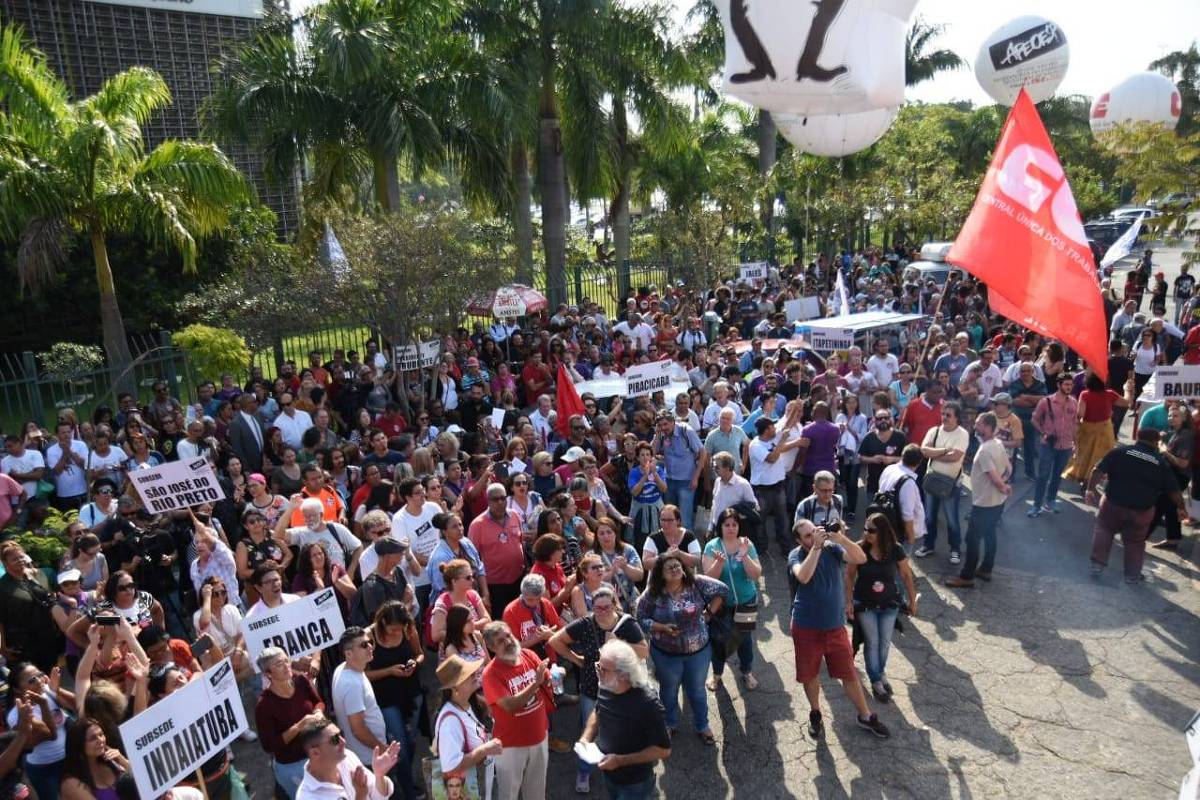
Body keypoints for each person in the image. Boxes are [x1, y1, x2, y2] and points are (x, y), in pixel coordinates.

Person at [788, 518, 889, 739]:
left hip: (835, 627)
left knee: (849, 673)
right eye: (807, 535)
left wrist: (840, 537)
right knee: (810, 675)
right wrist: (815, 547)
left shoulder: (832, 548)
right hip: (806, 627)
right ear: (798, 540)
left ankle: (865, 715)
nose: (814, 536)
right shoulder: (796, 555)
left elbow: (860, 557)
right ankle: (815, 712)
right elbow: (803, 576)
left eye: (815, 531)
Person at [548, 584, 647, 794]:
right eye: (598, 607)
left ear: (614, 605)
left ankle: (618, 763)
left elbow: (644, 652)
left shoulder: (626, 623)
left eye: (606, 607)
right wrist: (576, 659)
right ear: (592, 606)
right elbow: (555, 641)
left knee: (621, 729)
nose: (602, 612)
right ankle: (584, 771)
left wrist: (620, 643)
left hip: (622, 689)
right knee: (589, 730)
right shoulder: (585, 623)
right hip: (592, 688)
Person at [634, 553, 727, 745]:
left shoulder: (697, 583)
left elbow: (722, 590)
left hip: (698, 651)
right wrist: (661, 627)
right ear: (661, 574)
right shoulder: (653, 593)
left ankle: (703, 726)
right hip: (666, 654)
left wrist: (707, 615)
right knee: (668, 690)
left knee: (697, 690)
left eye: (678, 565)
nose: (676, 569)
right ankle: (669, 724)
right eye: (670, 568)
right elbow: (640, 617)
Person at [1086, 428, 1187, 583]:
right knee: (1135, 542)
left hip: (1113, 504)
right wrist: (1181, 508)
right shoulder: (1160, 463)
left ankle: (1096, 566)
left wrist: (1090, 489)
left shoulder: (1119, 452)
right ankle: (1132, 576)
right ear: (1155, 442)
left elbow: (1097, 470)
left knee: (1104, 530)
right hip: (1142, 510)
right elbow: (1173, 490)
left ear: (1137, 437)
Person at [577, 639, 671, 800]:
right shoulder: (607, 685)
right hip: (609, 774)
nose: (598, 672)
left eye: (604, 669)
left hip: (635, 784)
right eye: (598, 666)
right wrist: (586, 738)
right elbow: (597, 711)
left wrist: (620, 761)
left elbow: (663, 750)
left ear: (623, 674)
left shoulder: (648, 704)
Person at [845, 513, 917, 702]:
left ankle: (880, 671)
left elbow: (906, 575)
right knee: (872, 642)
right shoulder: (859, 548)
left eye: (871, 530)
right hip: (865, 604)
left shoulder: (895, 549)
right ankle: (876, 680)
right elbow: (849, 575)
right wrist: (849, 600)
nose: (866, 533)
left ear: (882, 531)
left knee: (884, 642)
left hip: (889, 604)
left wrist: (912, 601)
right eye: (865, 528)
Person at [480, 621, 551, 800]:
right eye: (501, 641)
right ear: (491, 647)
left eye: (508, 635)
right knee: (509, 794)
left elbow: (547, 680)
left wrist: (555, 676)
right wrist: (535, 683)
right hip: (511, 746)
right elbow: (510, 705)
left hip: (539, 737)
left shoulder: (529, 654)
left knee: (536, 793)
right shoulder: (491, 674)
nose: (509, 641)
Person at [364, 602, 425, 800]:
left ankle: (398, 776)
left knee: (410, 741)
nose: (397, 632)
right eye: (393, 629)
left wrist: (415, 663)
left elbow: (420, 654)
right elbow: (363, 673)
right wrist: (389, 671)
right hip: (386, 700)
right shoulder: (368, 636)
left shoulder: (408, 629)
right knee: (401, 747)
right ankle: (408, 790)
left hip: (411, 694)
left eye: (400, 628)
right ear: (382, 622)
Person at [946, 412, 1012, 589]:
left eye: (979, 424)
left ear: (989, 428)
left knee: (971, 539)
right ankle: (986, 569)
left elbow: (993, 477)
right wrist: (1004, 486)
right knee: (990, 534)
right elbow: (1009, 468)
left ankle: (966, 576)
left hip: (984, 503)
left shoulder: (984, 451)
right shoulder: (998, 443)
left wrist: (1002, 486)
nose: (975, 426)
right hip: (998, 501)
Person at [702, 508, 762, 692]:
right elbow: (708, 579)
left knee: (744, 639)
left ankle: (746, 671)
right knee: (718, 640)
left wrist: (745, 556)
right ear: (720, 526)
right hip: (721, 604)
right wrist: (719, 563)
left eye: (734, 524)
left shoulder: (747, 544)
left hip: (746, 601)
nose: (730, 528)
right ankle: (717, 674)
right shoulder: (712, 546)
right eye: (726, 524)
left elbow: (755, 575)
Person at [255, 646, 326, 799]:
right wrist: (299, 726)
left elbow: (318, 702)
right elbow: (269, 746)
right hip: (293, 766)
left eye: (286, 660)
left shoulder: (300, 680)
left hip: (319, 753)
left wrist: (319, 712)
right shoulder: (264, 705)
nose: (286, 666)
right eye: (279, 664)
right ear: (268, 673)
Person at [433, 656, 503, 799]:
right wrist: (485, 749)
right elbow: (451, 767)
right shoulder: (450, 722)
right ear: (455, 687)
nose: (474, 675)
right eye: (468, 675)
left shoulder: (467, 704)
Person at [748, 405, 807, 557]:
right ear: (766, 430)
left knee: (783, 521)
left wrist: (796, 407)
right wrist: (784, 440)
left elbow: (787, 425)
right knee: (759, 522)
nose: (775, 427)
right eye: (772, 426)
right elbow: (772, 458)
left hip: (778, 487)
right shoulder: (756, 445)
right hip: (762, 490)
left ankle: (786, 550)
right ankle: (761, 550)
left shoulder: (772, 439)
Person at [294, 717, 399, 800]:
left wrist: (379, 776)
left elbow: (380, 797)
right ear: (315, 752)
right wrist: (360, 796)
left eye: (341, 735)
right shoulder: (307, 797)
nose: (343, 742)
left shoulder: (347, 757)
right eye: (335, 739)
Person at [915, 402, 969, 563]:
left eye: (949, 415)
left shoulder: (962, 434)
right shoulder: (934, 431)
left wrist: (935, 453)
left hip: (950, 484)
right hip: (932, 481)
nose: (944, 418)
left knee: (951, 519)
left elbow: (956, 456)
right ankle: (928, 545)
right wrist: (946, 450)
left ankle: (955, 549)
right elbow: (924, 451)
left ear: (957, 418)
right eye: (943, 414)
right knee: (929, 517)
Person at [330, 627, 389, 767]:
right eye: (363, 645)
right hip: (369, 759)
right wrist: (382, 749)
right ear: (349, 654)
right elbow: (358, 730)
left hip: (367, 755)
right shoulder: (351, 685)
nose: (370, 646)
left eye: (369, 642)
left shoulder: (344, 668)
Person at [1063, 373, 1136, 483]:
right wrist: (1128, 390)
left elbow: (1080, 414)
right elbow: (1128, 403)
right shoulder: (1110, 394)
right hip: (1105, 431)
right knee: (1102, 457)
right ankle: (1093, 480)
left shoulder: (1085, 394)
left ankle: (1084, 479)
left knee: (1085, 455)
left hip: (1087, 430)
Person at [468, 483, 526, 615]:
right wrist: (482, 591)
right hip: (494, 586)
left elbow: (521, 544)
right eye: (495, 499)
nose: (500, 502)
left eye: (503, 498)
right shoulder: (477, 525)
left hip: (518, 579)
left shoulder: (514, 516)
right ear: (488, 501)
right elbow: (472, 559)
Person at [1029, 374, 1079, 517]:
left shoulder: (1074, 402)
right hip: (1048, 445)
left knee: (1057, 476)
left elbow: (1074, 423)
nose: (1069, 387)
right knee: (1043, 476)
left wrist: (1076, 443)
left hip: (1066, 446)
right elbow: (1034, 420)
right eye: (1066, 384)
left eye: (1070, 384)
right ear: (1059, 385)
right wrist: (1044, 432)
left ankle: (1050, 500)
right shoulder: (1046, 402)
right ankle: (1036, 505)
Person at [650, 411, 706, 531]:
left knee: (685, 520)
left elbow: (703, 452)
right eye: (660, 425)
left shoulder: (686, 431)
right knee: (669, 518)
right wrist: (656, 435)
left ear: (673, 422)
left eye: (665, 424)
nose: (663, 428)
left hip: (686, 481)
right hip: (669, 481)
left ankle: (688, 547)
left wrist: (696, 477)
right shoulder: (661, 434)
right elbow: (652, 453)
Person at [276, 496, 363, 572]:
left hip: (339, 581)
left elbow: (358, 547)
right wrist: (290, 509)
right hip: (314, 583)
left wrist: (351, 571)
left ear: (321, 515)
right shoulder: (301, 533)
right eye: (305, 516)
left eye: (311, 516)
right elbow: (278, 535)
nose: (308, 519)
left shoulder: (337, 529)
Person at [1149, 405, 1194, 550]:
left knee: (1158, 505)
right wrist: (1162, 441)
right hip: (1170, 474)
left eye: (1175, 416)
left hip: (1178, 477)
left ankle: (1139, 537)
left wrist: (1165, 451)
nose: (1171, 418)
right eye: (1170, 415)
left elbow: (1183, 463)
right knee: (1170, 507)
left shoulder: (1186, 435)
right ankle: (1173, 539)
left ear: (1184, 418)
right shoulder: (1176, 432)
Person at [60, 717, 129, 800]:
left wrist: (123, 761)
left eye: (101, 734)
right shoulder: (71, 784)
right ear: (79, 745)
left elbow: (142, 779)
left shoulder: (112, 761)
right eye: (93, 738)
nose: (100, 740)